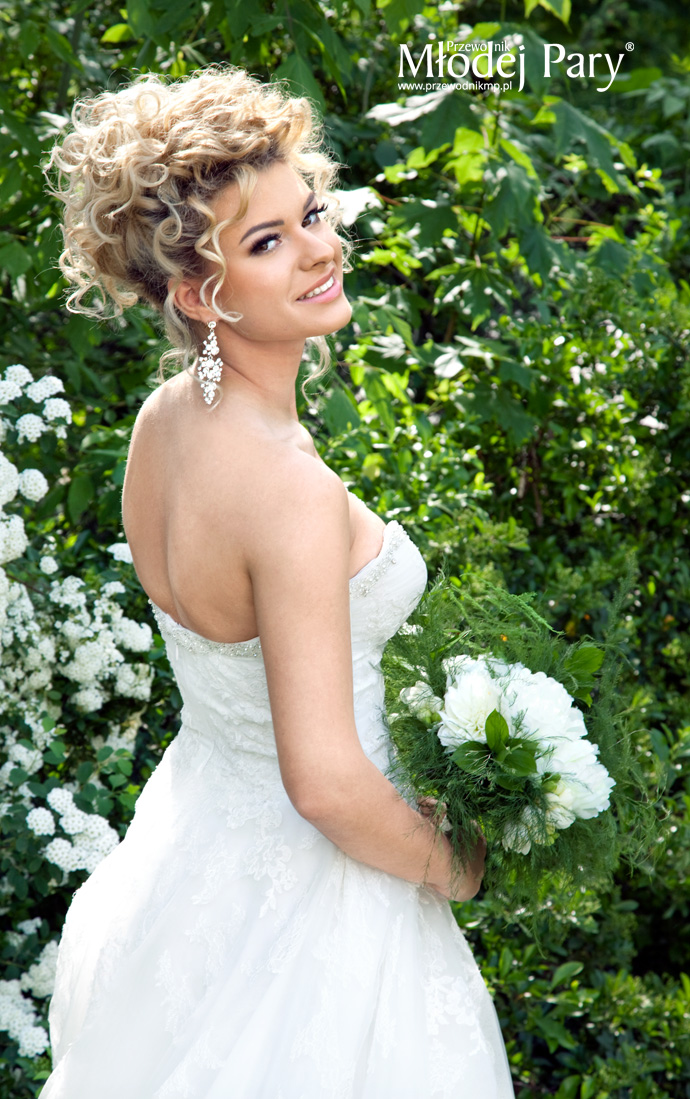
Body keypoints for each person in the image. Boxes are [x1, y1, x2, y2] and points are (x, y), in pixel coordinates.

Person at [40, 66, 514, 1098]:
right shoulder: (288, 489)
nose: (319, 249)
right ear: (200, 293)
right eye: (267, 242)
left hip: (196, 856)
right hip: (319, 902)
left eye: (312, 214)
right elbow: (327, 782)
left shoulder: (165, 422)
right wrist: (457, 867)